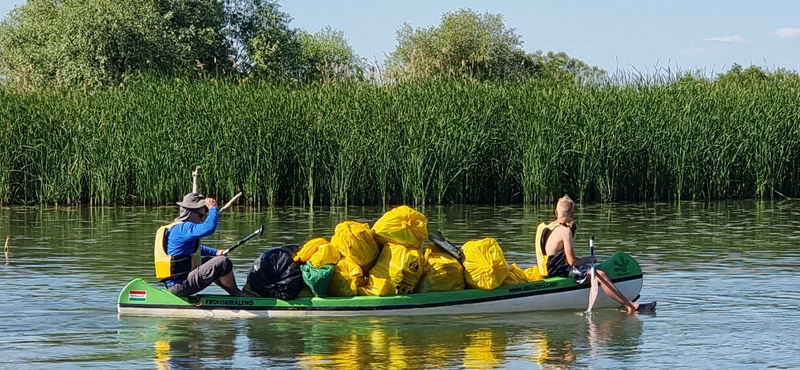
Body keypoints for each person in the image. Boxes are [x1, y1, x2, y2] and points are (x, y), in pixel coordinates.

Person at [539, 195, 656, 313]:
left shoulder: (547, 227)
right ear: (573, 214)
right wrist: (589, 259)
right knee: (600, 274)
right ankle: (631, 307)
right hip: (557, 270)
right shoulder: (565, 231)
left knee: (590, 271)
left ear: (556, 212)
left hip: (547, 268)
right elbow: (572, 261)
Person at [153, 193, 248, 297]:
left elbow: (195, 249)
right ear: (189, 212)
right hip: (180, 286)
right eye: (201, 216)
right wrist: (212, 209)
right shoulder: (184, 228)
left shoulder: (174, 228)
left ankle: (234, 294)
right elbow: (209, 228)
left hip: (177, 284)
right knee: (223, 262)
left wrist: (216, 252)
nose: (201, 220)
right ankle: (237, 295)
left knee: (211, 260)